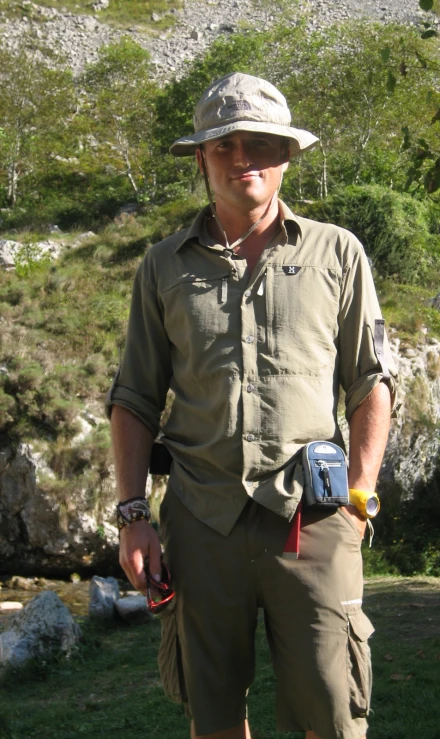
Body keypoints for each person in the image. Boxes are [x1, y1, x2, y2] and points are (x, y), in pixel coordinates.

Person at [107, 72, 398, 739]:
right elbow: (134, 398)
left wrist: (360, 496)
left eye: (260, 143)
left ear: (287, 154)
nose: (243, 159)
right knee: (213, 717)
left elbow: (371, 381)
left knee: (332, 711)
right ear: (201, 157)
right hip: (201, 520)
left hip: (315, 520)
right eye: (225, 144)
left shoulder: (338, 254)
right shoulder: (162, 268)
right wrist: (132, 518)